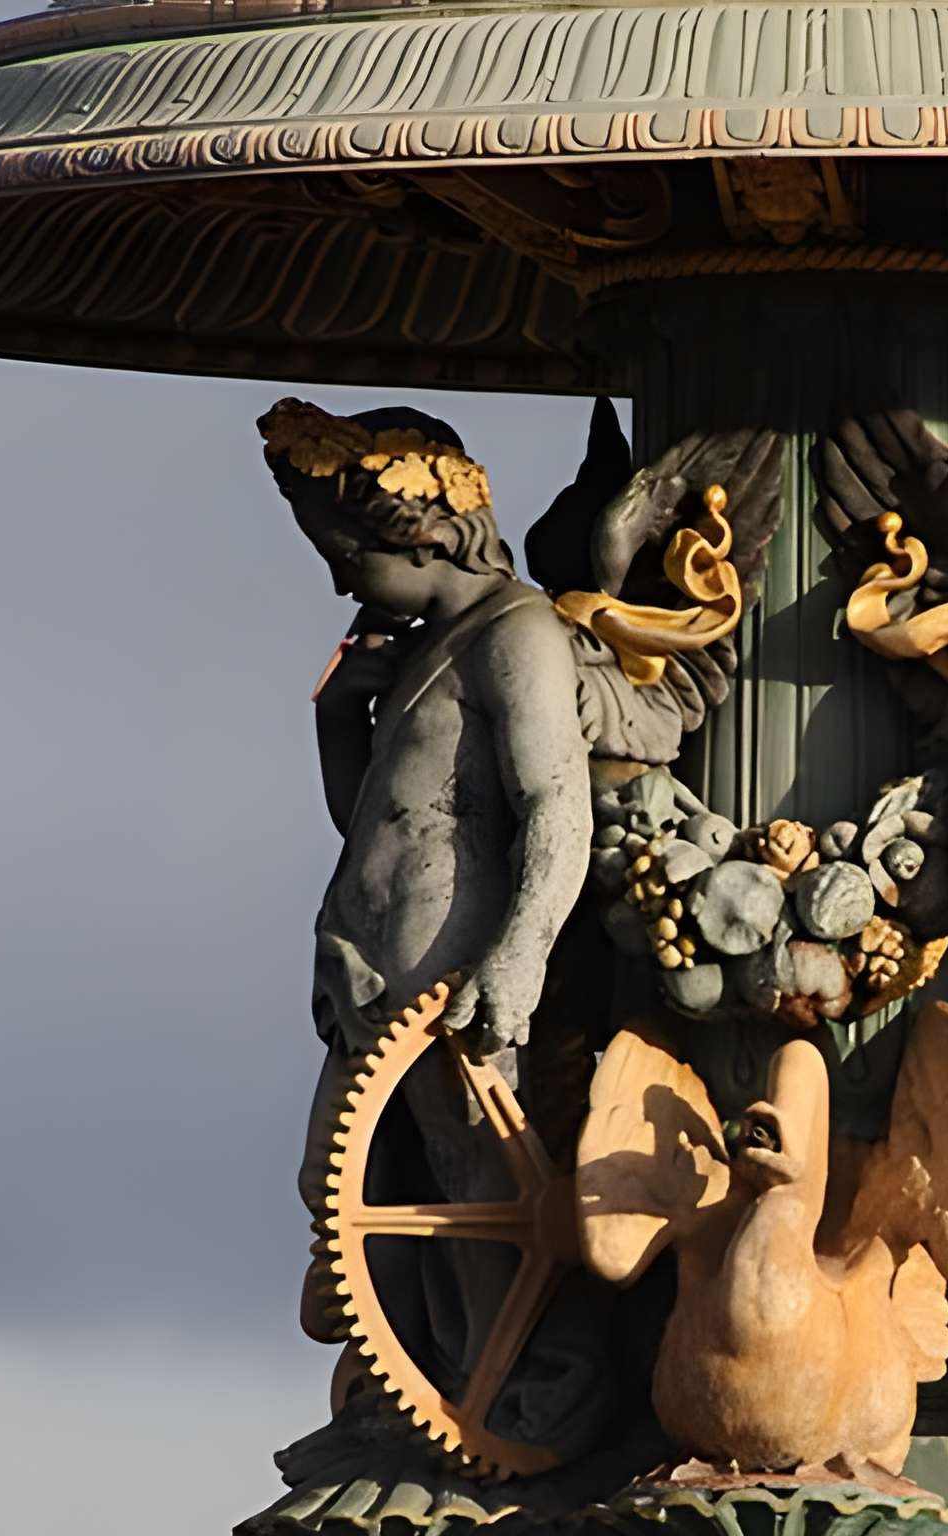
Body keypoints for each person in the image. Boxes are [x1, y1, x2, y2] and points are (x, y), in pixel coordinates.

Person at [264, 401, 598, 1442]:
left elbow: (556, 804)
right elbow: (375, 817)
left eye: (351, 552)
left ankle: (506, 1394)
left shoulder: (518, 634)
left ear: (427, 534)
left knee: (475, 1192)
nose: (338, 579)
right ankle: (409, 1382)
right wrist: (335, 721)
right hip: (366, 968)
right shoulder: (420, 648)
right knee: (347, 1177)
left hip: (451, 973)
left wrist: (521, 952)